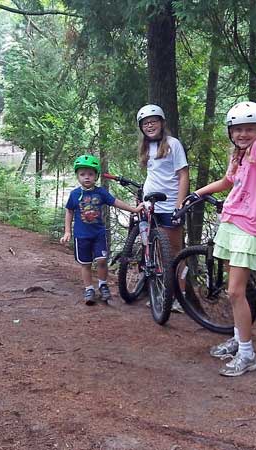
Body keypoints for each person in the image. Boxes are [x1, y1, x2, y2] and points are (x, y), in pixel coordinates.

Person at [188, 101, 256, 377]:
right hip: (230, 222)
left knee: (235, 292)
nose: (243, 134)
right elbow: (228, 182)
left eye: (249, 129)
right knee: (236, 288)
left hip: (247, 227)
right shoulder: (239, 154)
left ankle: (248, 354)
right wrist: (197, 193)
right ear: (231, 132)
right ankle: (239, 341)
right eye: (237, 129)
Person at [61, 154, 143, 305]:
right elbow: (69, 211)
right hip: (81, 236)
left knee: (102, 260)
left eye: (91, 174)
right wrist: (67, 231)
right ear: (77, 176)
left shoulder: (101, 192)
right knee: (85, 264)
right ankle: (89, 289)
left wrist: (134, 209)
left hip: (98, 235)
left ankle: (103, 285)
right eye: (82, 174)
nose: (87, 177)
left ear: (96, 176)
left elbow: (115, 202)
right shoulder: (74, 194)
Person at [136, 104, 189, 308]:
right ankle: (162, 293)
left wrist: (179, 205)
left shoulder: (173, 144)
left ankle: (180, 295)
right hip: (151, 205)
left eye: (153, 121)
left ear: (162, 122)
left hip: (170, 205)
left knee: (176, 251)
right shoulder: (146, 147)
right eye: (145, 123)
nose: (150, 126)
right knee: (157, 251)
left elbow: (183, 174)